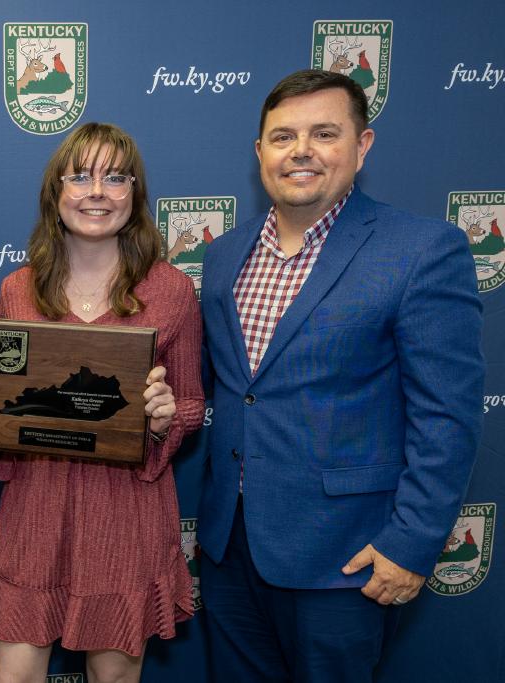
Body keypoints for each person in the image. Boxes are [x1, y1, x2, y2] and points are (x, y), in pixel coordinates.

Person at [197, 69, 484, 682]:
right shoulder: (224, 255)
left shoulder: (422, 250)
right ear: (259, 153)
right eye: (282, 137)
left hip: (347, 558)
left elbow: (447, 417)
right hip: (230, 549)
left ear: (363, 145)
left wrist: (410, 545)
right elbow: (228, 388)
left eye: (323, 133)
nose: (300, 151)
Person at [0, 122, 205, 683]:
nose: (98, 191)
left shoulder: (172, 290)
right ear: (56, 193)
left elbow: (192, 402)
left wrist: (168, 415)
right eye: (81, 176)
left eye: (115, 177)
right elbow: (11, 407)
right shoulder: (18, 290)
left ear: (135, 194)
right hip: (36, 510)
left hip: (124, 516)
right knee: (15, 677)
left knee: (114, 678)